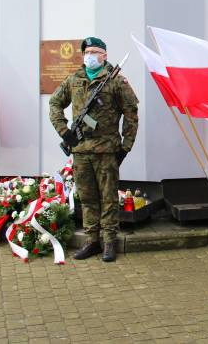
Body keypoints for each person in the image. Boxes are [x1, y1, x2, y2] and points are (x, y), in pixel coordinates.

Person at [49, 36, 138, 262]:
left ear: (105, 55)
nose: (91, 56)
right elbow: (55, 103)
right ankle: (92, 241)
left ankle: (109, 242)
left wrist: (125, 146)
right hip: (80, 150)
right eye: (87, 52)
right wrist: (64, 131)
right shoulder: (74, 79)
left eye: (96, 52)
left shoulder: (116, 80)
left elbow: (131, 114)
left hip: (106, 151)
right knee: (87, 197)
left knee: (108, 198)